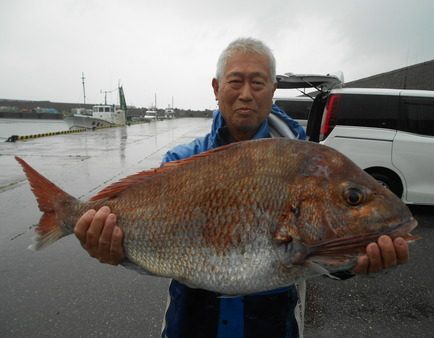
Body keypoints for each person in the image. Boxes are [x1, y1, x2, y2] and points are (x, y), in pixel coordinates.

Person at [74, 37, 410, 338]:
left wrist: (354, 262)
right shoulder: (182, 159)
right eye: (236, 82)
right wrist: (113, 248)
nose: (246, 94)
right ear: (217, 87)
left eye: (258, 82)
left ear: (273, 88)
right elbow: (147, 242)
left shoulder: (305, 159)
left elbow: (321, 259)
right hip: (189, 326)